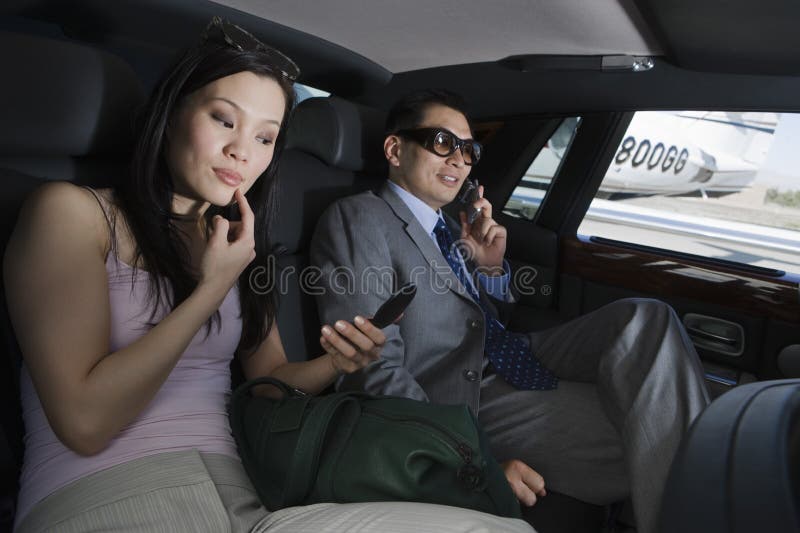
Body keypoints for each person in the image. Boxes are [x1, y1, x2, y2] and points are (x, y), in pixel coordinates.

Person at [4, 21, 533, 533]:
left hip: (249, 497)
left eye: (265, 138)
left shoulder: (235, 244)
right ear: (169, 114)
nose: (242, 151)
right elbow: (85, 423)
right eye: (223, 120)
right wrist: (211, 288)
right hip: (107, 494)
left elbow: (271, 384)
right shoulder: (71, 214)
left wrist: (337, 361)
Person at [309, 89, 711, 533]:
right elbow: (369, 363)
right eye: (443, 142)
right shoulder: (361, 217)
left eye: (468, 149)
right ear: (394, 149)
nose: (460, 160)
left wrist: (491, 267)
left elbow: (484, 318)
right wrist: (464, 454)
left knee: (647, 318)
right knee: (654, 431)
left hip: (506, 357)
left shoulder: (447, 225)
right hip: (460, 396)